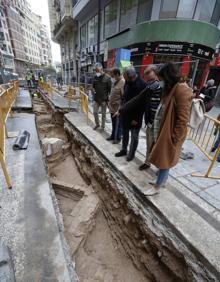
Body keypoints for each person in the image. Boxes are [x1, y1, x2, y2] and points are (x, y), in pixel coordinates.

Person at [145, 62, 192, 196]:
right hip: (162, 130)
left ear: (168, 76)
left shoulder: (182, 89)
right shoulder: (170, 88)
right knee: (162, 158)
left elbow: (183, 119)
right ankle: (161, 180)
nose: (159, 81)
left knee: (164, 159)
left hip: (170, 133)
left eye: (160, 78)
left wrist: (174, 138)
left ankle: (157, 187)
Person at [115, 67, 147, 161]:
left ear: (132, 77)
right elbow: (124, 97)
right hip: (125, 114)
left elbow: (142, 105)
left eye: (125, 78)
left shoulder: (142, 85)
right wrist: (121, 109)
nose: (124, 80)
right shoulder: (128, 83)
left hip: (135, 117)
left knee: (134, 137)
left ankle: (131, 154)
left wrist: (136, 119)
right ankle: (124, 149)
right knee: (125, 134)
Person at [107, 68, 125, 143]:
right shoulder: (115, 82)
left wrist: (120, 109)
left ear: (117, 74)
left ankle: (117, 138)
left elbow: (123, 97)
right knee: (114, 123)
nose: (112, 78)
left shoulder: (122, 82)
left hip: (118, 108)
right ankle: (113, 135)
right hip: (112, 107)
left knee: (119, 124)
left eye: (112, 76)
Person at [92, 63, 111, 131]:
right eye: (95, 70)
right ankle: (97, 124)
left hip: (104, 99)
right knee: (95, 112)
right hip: (96, 98)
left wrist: (107, 100)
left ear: (101, 69)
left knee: (103, 114)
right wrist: (93, 90)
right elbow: (93, 86)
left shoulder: (107, 78)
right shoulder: (95, 77)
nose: (96, 72)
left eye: (97, 70)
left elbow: (110, 90)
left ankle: (102, 127)